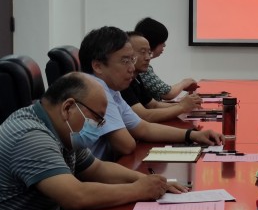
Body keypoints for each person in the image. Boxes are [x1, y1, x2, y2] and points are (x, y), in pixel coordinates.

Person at [0, 72, 186, 210]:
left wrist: (148, 182)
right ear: (68, 108)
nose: (98, 126)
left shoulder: (60, 130)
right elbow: (76, 196)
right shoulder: (30, 136)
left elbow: (97, 168)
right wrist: (139, 190)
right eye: (97, 118)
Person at [79, 26, 222, 161]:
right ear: (98, 66)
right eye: (125, 61)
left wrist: (194, 135)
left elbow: (143, 128)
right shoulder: (96, 90)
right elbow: (126, 145)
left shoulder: (112, 90)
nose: (131, 68)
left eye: (132, 60)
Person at [121, 32, 203, 123]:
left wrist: (187, 105)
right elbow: (145, 116)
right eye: (143, 52)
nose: (148, 57)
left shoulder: (136, 77)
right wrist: (181, 107)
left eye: (149, 52)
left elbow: (153, 105)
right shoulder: (121, 82)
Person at [135, 17, 197, 100]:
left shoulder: (145, 66)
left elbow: (154, 103)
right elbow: (167, 93)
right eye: (162, 41)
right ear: (152, 42)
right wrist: (184, 83)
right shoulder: (142, 69)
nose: (164, 45)